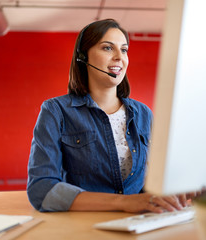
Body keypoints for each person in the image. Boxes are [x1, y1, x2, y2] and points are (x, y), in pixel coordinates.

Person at [27, 19, 195, 213]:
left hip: (137, 225)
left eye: (123, 50)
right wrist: (123, 203)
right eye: (108, 48)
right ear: (83, 57)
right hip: (83, 226)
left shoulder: (143, 114)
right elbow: (41, 190)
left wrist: (177, 190)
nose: (119, 57)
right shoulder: (56, 111)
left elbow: (151, 182)